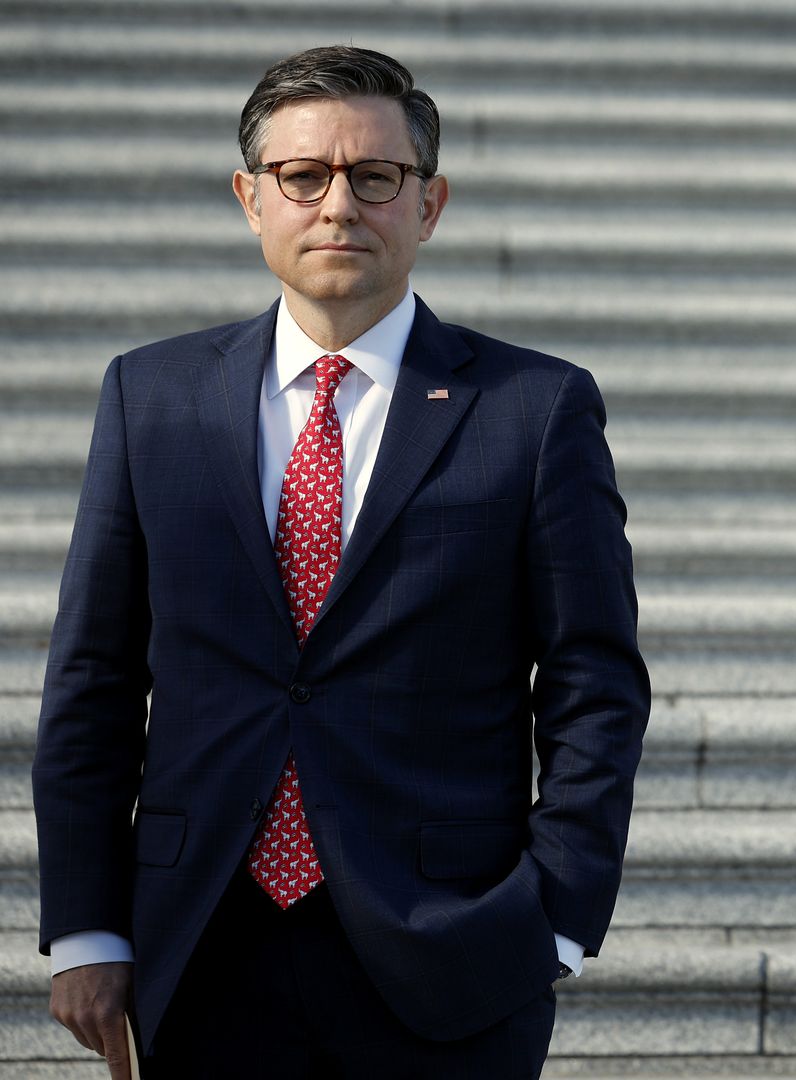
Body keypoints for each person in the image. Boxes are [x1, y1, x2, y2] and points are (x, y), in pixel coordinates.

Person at [32, 45, 649, 1078]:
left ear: (430, 203)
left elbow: (595, 685)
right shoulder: (152, 397)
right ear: (250, 198)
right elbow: (92, 679)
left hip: (449, 949)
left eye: (376, 177)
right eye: (303, 176)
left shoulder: (534, 410)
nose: (338, 206)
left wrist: (553, 921)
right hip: (199, 940)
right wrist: (89, 929)